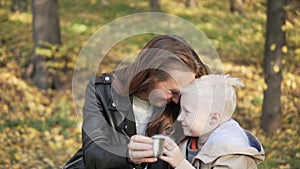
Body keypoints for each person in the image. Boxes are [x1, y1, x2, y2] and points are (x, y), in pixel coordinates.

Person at [62, 35, 209, 169]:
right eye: (173, 91)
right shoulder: (102, 91)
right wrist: (127, 154)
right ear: (151, 75)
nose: (178, 101)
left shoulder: (181, 105)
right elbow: (92, 153)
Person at [158, 74, 265, 169]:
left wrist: (180, 164)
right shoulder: (193, 139)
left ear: (213, 119)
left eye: (187, 112)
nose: (180, 117)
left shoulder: (233, 156)